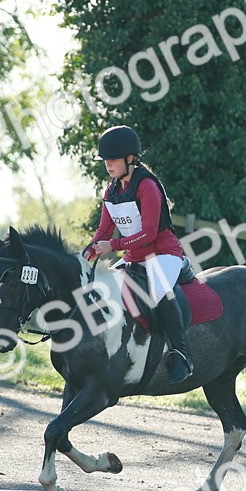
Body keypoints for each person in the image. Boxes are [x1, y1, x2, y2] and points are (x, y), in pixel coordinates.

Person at [84, 125, 193, 383]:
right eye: (106, 161)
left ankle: (182, 353)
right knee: (109, 288)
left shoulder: (147, 186)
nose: (108, 165)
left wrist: (114, 245)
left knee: (158, 292)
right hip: (135, 256)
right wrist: (86, 252)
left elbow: (150, 233)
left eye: (113, 160)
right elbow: (104, 228)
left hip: (163, 253)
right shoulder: (111, 191)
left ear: (130, 159)